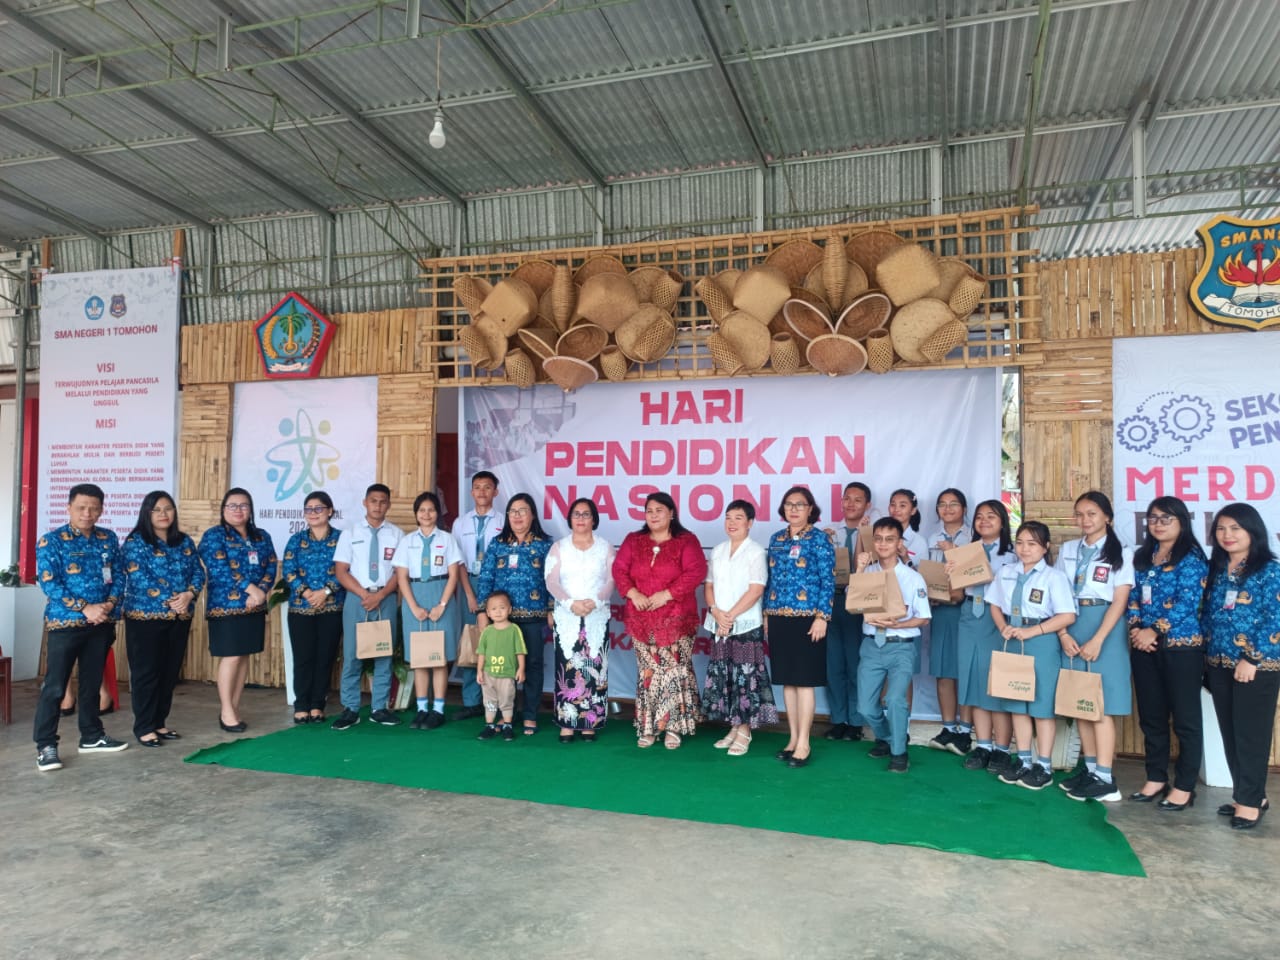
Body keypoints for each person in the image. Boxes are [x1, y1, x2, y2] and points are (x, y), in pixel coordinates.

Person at [33, 483, 128, 771]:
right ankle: (46, 745)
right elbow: (49, 582)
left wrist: (108, 606)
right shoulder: (52, 541)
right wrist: (85, 607)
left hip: (100, 623)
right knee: (55, 687)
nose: (87, 513)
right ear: (69, 508)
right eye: (81, 507)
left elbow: (119, 576)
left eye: (94, 508)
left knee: (90, 685)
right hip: (66, 623)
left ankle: (91, 736)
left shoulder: (107, 539)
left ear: (101, 509)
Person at [1202, 503, 1280, 830]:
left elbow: (1274, 619)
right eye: (1221, 528)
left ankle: (1249, 803)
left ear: (1252, 531)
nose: (1227, 535)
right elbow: (1208, 615)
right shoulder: (1218, 569)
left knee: (1251, 735)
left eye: (1235, 528)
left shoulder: (1269, 570)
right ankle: (1248, 794)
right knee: (1231, 734)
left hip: (1255, 666)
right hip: (1219, 663)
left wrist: (1252, 658)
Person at [1127, 496, 1208, 809]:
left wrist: (1154, 630)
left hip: (1181, 648)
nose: (1158, 524)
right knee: (1152, 717)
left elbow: (1188, 603)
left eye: (1166, 518)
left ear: (1182, 522)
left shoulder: (1192, 558)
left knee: (1186, 719)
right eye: (1153, 518)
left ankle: (1185, 785)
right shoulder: (1144, 556)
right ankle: (1156, 777)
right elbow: (1133, 596)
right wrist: (1137, 630)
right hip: (1144, 648)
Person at [1055, 492, 1134, 803]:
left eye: (1092, 514)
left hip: (1105, 627)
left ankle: (1105, 776)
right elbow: (1057, 591)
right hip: (1072, 623)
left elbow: (1120, 600)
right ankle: (1090, 770)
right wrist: (1062, 633)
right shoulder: (1068, 549)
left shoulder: (1122, 553)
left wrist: (1099, 638)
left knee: (1100, 705)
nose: (1084, 520)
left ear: (1107, 518)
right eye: (1080, 514)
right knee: (1081, 702)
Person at [612, 491, 707, 750]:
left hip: (676, 619)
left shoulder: (686, 541)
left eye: (659, 510)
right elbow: (619, 570)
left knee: (673, 672)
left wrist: (666, 595)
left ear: (671, 513)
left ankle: (674, 727)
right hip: (641, 619)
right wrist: (633, 593)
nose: (653, 515)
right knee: (649, 673)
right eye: (649, 511)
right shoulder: (634, 540)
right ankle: (649, 726)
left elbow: (696, 571)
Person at [988, 521, 1076, 790]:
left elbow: (1067, 615)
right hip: (1012, 639)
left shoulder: (1053, 577)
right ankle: (1024, 760)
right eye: (1021, 542)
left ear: (1045, 547)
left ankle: (1044, 766)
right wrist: (1002, 626)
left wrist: (1033, 631)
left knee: (1040, 706)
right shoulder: (1006, 572)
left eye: (1032, 543)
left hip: (1041, 642)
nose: (1025, 549)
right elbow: (994, 603)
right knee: (1017, 703)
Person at [122, 490, 205, 746]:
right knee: (146, 673)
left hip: (180, 617)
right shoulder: (136, 542)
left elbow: (198, 573)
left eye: (168, 508)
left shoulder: (184, 541)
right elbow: (140, 577)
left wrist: (189, 595)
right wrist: (174, 599)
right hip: (145, 617)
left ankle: (159, 722)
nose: (163, 514)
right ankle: (144, 726)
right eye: (156, 510)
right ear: (146, 513)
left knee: (169, 672)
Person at [763, 485, 834, 768]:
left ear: (810, 509)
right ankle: (792, 738)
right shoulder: (777, 539)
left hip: (809, 619)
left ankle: (804, 742)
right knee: (788, 681)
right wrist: (767, 614)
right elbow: (771, 579)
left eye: (800, 504)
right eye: (789, 504)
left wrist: (822, 617)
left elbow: (827, 581)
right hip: (779, 616)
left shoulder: (820, 540)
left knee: (804, 682)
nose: (794, 509)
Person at [855, 517, 932, 772]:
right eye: (878, 539)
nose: (883, 544)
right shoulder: (867, 573)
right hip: (871, 644)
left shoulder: (912, 578)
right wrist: (858, 570)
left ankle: (899, 753)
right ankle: (887, 737)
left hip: (901, 646)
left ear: (899, 543)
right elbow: (853, 604)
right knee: (865, 706)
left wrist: (899, 624)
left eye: (890, 539)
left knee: (896, 699)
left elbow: (923, 617)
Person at [199, 487, 277, 734]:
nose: (238, 510)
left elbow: (272, 565)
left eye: (244, 505)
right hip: (226, 607)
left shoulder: (261, 536)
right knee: (231, 656)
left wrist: (261, 591)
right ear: (223, 510)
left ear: (251, 509)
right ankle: (226, 710)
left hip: (254, 607)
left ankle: (233, 705)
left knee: (244, 656)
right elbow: (218, 568)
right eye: (232, 505)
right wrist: (250, 588)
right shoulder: (214, 536)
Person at [702, 499, 776, 757]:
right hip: (720, 625)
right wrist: (715, 611)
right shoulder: (718, 550)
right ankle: (734, 726)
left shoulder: (755, 551)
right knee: (727, 678)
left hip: (745, 625)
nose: (732, 523)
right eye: (728, 517)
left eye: (738, 518)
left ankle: (745, 731)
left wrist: (730, 615)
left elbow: (756, 589)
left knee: (745, 679)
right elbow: (709, 585)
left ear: (750, 523)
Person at [475, 493, 554, 735]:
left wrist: (551, 608)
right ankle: (505, 714)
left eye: (523, 511)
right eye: (512, 511)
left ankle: (530, 714)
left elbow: (554, 579)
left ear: (532, 515)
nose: (517, 516)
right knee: (502, 668)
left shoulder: (545, 543)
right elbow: (486, 577)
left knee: (532, 665)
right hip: (501, 619)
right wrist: (481, 611)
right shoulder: (498, 543)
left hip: (535, 615)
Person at [330, 483, 404, 730]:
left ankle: (379, 708)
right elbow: (341, 571)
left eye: (383, 501)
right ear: (365, 502)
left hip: (385, 598)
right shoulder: (350, 533)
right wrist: (364, 594)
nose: (378, 506)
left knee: (384, 653)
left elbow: (399, 572)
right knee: (352, 654)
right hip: (357, 599)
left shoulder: (397, 534)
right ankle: (350, 708)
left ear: (388, 505)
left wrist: (381, 594)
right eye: (374, 501)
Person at [545, 497, 615, 742]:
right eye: (577, 514)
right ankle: (567, 723)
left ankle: (589, 723)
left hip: (596, 616)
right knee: (567, 669)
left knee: (595, 668)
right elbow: (551, 581)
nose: (581, 518)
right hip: (567, 616)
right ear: (570, 519)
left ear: (594, 518)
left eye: (586, 514)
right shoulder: (559, 547)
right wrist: (570, 603)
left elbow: (611, 580)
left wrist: (594, 601)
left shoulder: (605, 547)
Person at [956, 500, 1018, 776]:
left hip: (1000, 619)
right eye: (979, 517)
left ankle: (1002, 749)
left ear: (1002, 522)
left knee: (996, 682)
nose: (984, 521)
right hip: (970, 613)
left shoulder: (1015, 554)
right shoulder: (964, 552)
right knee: (973, 680)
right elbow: (955, 592)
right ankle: (982, 745)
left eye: (990, 517)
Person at [393, 491, 463, 730]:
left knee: (439, 659)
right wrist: (413, 606)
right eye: (421, 510)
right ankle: (422, 708)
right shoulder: (407, 541)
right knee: (419, 659)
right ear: (416, 514)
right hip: (415, 596)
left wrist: (441, 605)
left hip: (440, 594)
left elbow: (454, 575)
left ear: (437, 513)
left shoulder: (447, 539)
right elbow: (401, 577)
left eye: (431, 509)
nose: (426, 514)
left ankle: (438, 709)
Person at [281, 491, 344, 724]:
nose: (314, 513)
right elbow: (288, 570)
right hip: (301, 608)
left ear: (330, 511)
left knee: (325, 657)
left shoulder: (341, 539)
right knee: (303, 657)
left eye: (319, 508)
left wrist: (326, 592)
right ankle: (301, 704)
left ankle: (318, 704)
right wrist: (307, 593)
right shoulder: (296, 540)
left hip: (332, 608)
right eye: (309, 509)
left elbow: (347, 569)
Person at [452, 470, 504, 720]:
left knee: (496, 640)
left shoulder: (504, 522)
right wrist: (471, 595)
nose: (482, 492)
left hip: (497, 585)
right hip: (469, 582)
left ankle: (496, 700)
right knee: (471, 640)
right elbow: (458, 561)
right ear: (471, 492)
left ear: (496, 491)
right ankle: (471, 700)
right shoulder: (460, 523)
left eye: (487, 487)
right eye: (477, 487)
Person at [823, 481, 872, 742]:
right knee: (834, 664)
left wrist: (865, 537)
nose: (851, 504)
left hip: (860, 604)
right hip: (833, 601)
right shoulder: (831, 533)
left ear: (867, 505)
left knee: (856, 664)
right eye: (847, 499)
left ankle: (856, 721)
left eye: (857, 500)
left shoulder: (873, 534)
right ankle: (838, 719)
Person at [926, 488, 974, 754]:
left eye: (954, 504)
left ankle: (965, 731)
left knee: (963, 671)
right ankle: (948, 727)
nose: (947, 508)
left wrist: (954, 551)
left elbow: (973, 574)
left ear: (964, 509)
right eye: (942, 504)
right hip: (940, 611)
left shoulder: (972, 537)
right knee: (944, 670)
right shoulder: (931, 537)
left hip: (966, 610)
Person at [475, 591, 527, 742]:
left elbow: (520, 651)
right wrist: (479, 670)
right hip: (488, 674)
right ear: (488, 613)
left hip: (507, 674)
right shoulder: (487, 632)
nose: (498, 612)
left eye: (502, 608)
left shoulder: (514, 630)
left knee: (506, 700)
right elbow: (481, 653)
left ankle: (507, 726)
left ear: (510, 610)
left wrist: (521, 669)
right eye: (494, 609)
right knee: (489, 701)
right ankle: (490, 725)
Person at [887, 489, 928, 568]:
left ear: (913, 510)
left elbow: (922, 578)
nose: (896, 509)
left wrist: (906, 558)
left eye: (902, 505)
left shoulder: (920, 542)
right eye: (893, 504)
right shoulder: (879, 535)